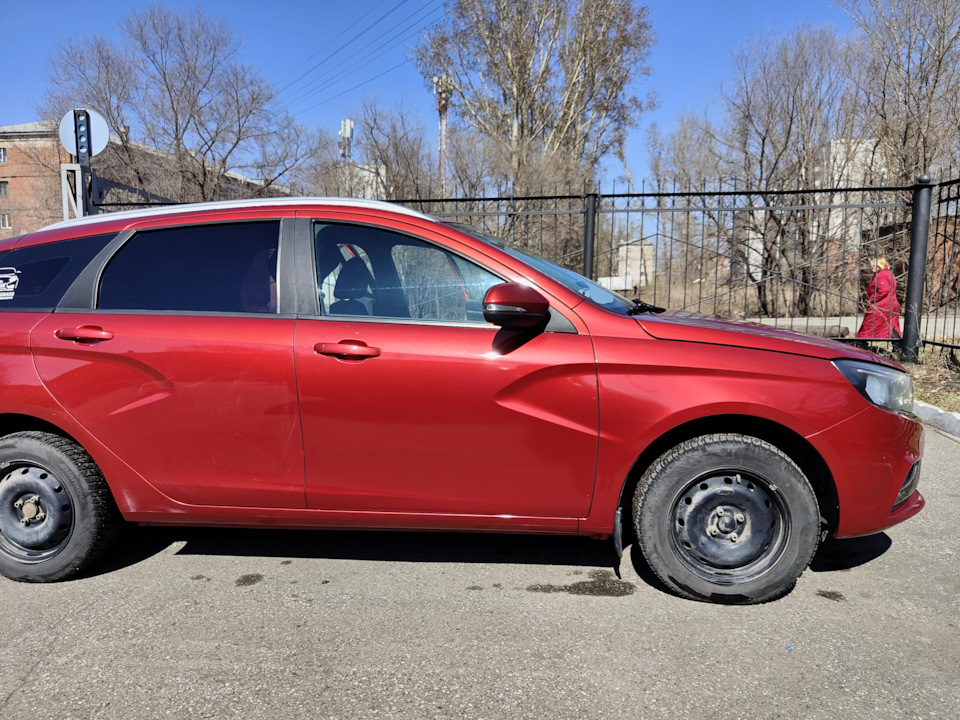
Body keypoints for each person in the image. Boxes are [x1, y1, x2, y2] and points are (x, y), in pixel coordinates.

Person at [856, 257, 901, 339]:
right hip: (892, 303)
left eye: (874, 266)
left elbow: (883, 290)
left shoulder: (881, 275)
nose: (872, 269)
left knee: (868, 325)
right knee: (891, 325)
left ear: (879, 266)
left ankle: (860, 343)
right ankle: (897, 346)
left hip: (882, 305)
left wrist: (871, 299)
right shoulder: (889, 274)